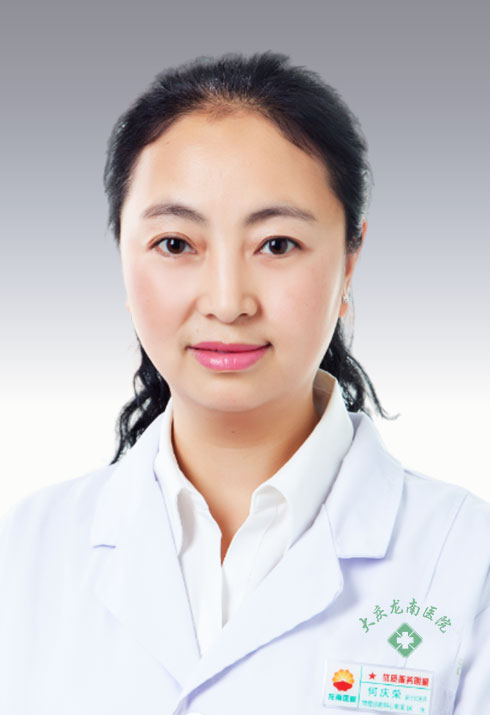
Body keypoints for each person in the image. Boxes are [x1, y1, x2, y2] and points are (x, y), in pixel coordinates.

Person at [0, 51, 488, 715]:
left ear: (350, 261)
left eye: (277, 244)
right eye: (176, 244)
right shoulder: (27, 550)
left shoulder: (467, 560)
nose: (228, 302)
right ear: (122, 257)